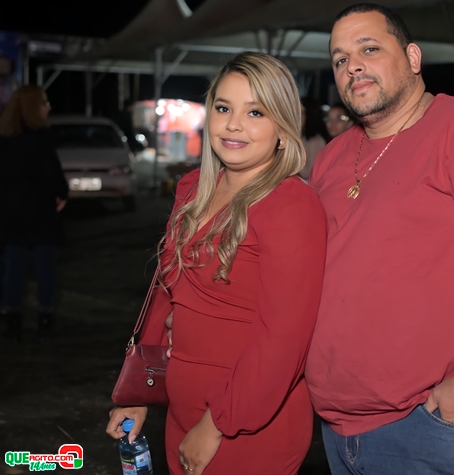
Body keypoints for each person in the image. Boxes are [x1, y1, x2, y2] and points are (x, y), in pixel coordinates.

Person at [306, 4, 454, 475]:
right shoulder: (332, 157)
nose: (352, 65)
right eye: (339, 59)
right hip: (338, 427)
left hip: (430, 426)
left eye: (369, 49)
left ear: (413, 58)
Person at [106, 52, 328, 475]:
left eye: (255, 112)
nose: (233, 124)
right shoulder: (193, 190)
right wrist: (139, 391)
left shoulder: (291, 205)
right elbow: (166, 294)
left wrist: (218, 424)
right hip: (181, 410)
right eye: (224, 108)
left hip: (246, 424)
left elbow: (284, 340)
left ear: (283, 129)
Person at [0, 85, 68, 343]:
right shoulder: (41, 138)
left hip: (12, 214)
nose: (48, 107)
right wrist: (61, 194)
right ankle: (45, 319)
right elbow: (52, 173)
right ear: (32, 107)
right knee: (44, 269)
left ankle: (12, 319)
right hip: (40, 213)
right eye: (44, 103)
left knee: (13, 268)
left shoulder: (5, 139)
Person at [299, 97, 327, 180]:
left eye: (302, 112)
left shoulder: (316, 141)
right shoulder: (301, 137)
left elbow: (311, 172)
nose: (298, 116)